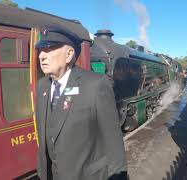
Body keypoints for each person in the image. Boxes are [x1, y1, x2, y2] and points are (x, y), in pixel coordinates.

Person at [35, 25, 127, 180]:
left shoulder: (96, 85)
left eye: (49, 49)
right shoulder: (42, 86)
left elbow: (114, 146)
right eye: (40, 50)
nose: (41, 56)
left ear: (69, 54)